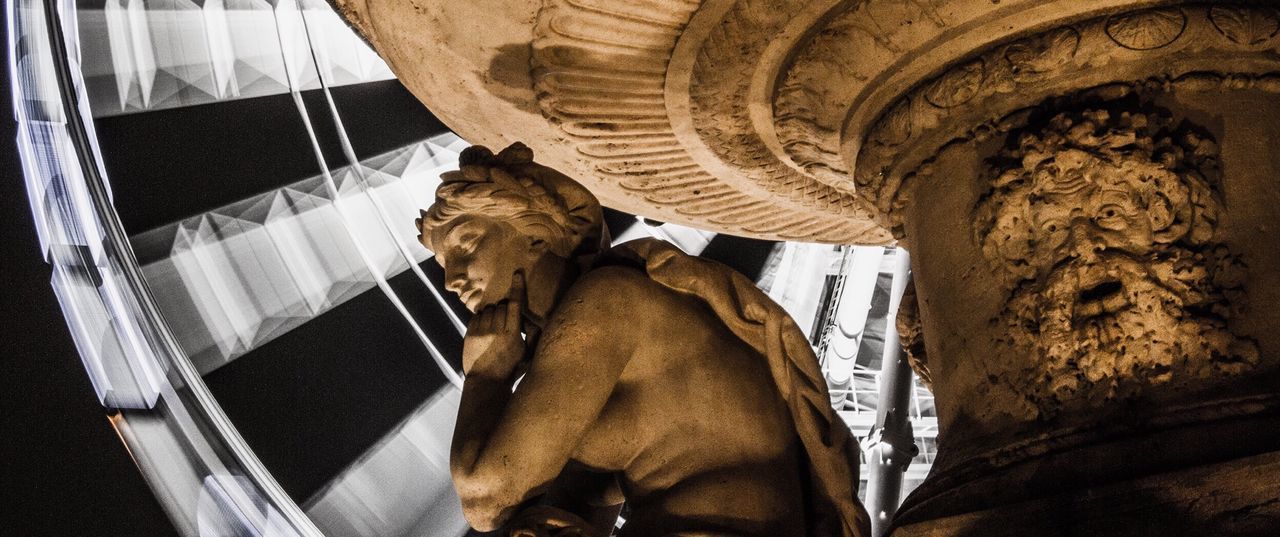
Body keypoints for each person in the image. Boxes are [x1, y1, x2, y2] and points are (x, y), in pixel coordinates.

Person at [416, 143, 870, 537]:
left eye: (467, 244)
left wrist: (484, 376)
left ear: (536, 236)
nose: (452, 280)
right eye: (443, 265)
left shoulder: (607, 300)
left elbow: (486, 496)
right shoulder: (588, 330)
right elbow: (577, 499)